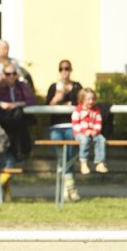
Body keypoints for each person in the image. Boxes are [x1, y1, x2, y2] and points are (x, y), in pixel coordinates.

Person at [0, 63, 36, 166]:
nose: (11, 76)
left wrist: (17, 104)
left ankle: (22, 152)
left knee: (19, 118)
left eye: (13, 73)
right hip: (4, 121)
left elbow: (32, 100)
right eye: (8, 74)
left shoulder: (21, 86)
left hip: (18, 122)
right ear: (3, 75)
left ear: (17, 75)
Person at [45, 59, 83, 201]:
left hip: (72, 126)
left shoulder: (77, 86)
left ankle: (67, 190)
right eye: (61, 69)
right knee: (62, 157)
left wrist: (70, 103)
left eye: (67, 68)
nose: (64, 71)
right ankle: (70, 187)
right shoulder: (53, 87)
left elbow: (83, 103)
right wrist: (57, 98)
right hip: (56, 127)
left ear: (71, 70)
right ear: (59, 70)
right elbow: (47, 106)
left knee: (69, 157)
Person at [72, 88, 108, 175]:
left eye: (93, 99)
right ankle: (83, 162)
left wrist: (95, 130)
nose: (91, 101)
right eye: (88, 99)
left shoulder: (96, 111)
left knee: (101, 139)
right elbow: (75, 124)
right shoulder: (78, 110)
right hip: (81, 133)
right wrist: (84, 131)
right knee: (85, 140)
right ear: (82, 99)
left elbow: (98, 122)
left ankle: (100, 162)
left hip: (93, 132)